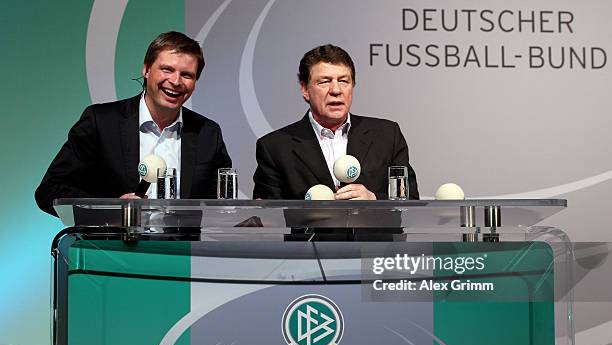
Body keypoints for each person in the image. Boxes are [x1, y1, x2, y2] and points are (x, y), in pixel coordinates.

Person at [35, 31, 232, 216]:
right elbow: (50, 190)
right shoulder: (101, 122)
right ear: (146, 69)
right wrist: (110, 209)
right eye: (167, 70)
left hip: (182, 251)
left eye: (187, 75)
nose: (176, 81)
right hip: (113, 250)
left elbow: (221, 206)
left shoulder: (207, 133)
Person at [253, 44, 418, 200]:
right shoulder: (275, 147)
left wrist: (374, 200)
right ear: (305, 90)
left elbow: (410, 200)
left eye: (343, 81)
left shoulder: (387, 135)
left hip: (372, 230)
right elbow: (268, 214)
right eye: (324, 81)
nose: (336, 90)